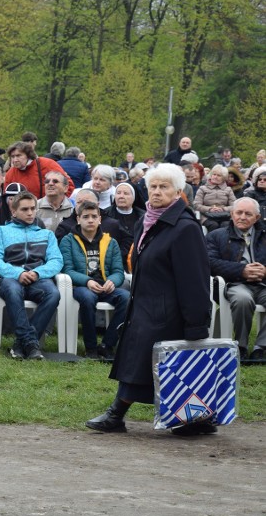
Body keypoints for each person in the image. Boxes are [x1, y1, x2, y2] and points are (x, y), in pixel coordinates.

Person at [86, 163, 212, 435]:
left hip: (170, 311)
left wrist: (196, 324)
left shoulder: (185, 227)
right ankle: (190, 419)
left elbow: (195, 281)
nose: (156, 192)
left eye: (164, 187)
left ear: (178, 192)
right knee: (144, 360)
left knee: (155, 363)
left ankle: (117, 414)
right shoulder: (149, 220)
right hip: (144, 305)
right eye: (152, 186)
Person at [0, 190, 62, 360]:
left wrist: (37, 272)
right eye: (25, 209)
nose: (30, 213)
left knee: (54, 294)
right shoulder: (0, 231)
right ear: (14, 211)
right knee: (13, 291)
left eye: (32, 209)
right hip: (11, 277)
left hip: (38, 278)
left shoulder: (46, 234)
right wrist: (18, 272)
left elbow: (56, 261)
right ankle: (31, 343)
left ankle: (23, 343)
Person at [59, 201, 129, 359]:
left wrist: (112, 281)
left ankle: (107, 345)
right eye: (86, 217)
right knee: (88, 297)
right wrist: (87, 281)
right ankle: (90, 348)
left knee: (126, 298)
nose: (90, 220)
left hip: (105, 286)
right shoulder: (68, 241)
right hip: (80, 286)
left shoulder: (111, 242)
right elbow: (67, 269)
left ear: (100, 219)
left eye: (93, 216)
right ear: (78, 219)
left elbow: (118, 271)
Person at [206, 197, 266, 360]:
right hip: (234, 283)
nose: (243, 217)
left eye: (248, 214)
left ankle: (261, 347)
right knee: (242, 299)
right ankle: (241, 346)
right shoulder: (216, 236)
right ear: (232, 214)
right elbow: (210, 263)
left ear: (257, 218)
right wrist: (242, 270)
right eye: (239, 212)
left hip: (262, 284)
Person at [4, 141, 74, 199]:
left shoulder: (47, 164)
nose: (15, 160)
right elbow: (6, 197)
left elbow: (68, 185)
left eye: (19, 156)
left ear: (28, 155)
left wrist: (58, 205)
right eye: (12, 157)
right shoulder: (10, 173)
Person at [193, 165, 235, 232]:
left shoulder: (228, 190)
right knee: (213, 225)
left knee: (225, 225)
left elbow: (234, 206)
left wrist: (223, 209)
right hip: (206, 216)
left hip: (224, 216)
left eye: (219, 175)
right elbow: (196, 205)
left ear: (223, 178)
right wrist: (210, 209)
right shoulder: (202, 188)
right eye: (214, 174)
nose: (215, 177)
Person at [36, 170, 74, 235]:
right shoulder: (35, 207)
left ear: (66, 188)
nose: (50, 184)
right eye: (47, 181)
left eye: (55, 181)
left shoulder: (73, 208)